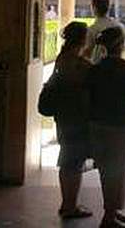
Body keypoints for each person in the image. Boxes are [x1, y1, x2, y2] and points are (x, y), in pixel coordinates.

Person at [87, 27, 125, 228]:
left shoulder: (95, 69)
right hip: (121, 127)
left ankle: (111, 210)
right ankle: (109, 216)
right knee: (120, 171)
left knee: (106, 171)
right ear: (120, 45)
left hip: (98, 125)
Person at [51, 21, 93, 220]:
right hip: (77, 117)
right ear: (82, 39)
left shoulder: (62, 59)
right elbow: (90, 80)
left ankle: (66, 203)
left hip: (64, 116)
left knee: (67, 159)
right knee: (74, 162)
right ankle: (70, 206)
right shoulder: (78, 64)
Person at [86, 0, 125, 64]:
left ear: (94, 8)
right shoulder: (120, 26)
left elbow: (88, 51)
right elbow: (123, 47)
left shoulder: (93, 29)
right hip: (117, 64)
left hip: (99, 66)